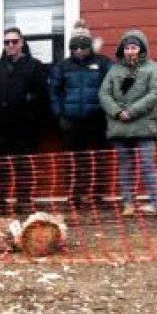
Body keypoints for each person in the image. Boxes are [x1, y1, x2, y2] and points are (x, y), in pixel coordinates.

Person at [0, 27, 50, 216]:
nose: (10, 45)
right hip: (0, 128)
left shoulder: (35, 66)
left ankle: (24, 202)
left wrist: (31, 111)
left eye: (14, 41)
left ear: (22, 43)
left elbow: (43, 95)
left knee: (24, 167)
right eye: (7, 42)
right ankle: (0, 203)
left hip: (25, 128)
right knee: (0, 169)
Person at [100, 29, 157, 217]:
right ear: (123, 50)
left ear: (141, 49)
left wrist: (132, 111)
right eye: (127, 47)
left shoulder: (153, 68)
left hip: (144, 125)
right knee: (126, 166)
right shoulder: (114, 70)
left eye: (134, 47)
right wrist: (117, 111)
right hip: (119, 126)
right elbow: (104, 94)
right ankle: (128, 203)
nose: (131, 51)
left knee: (148, 165)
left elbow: (156, 93)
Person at [49, 21, 113, 211]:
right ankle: (74, 196)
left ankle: (97, 196)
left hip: (97, 119)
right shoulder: (62, 66)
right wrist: (60, 115)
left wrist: (108, 112)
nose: (79, 50)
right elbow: (54, 91)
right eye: (75, 46)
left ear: (89, 45)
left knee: (98, 159)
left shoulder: (103, 63)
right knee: (73, 160)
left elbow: (112, 87)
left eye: (83, 46)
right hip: (71, 121)